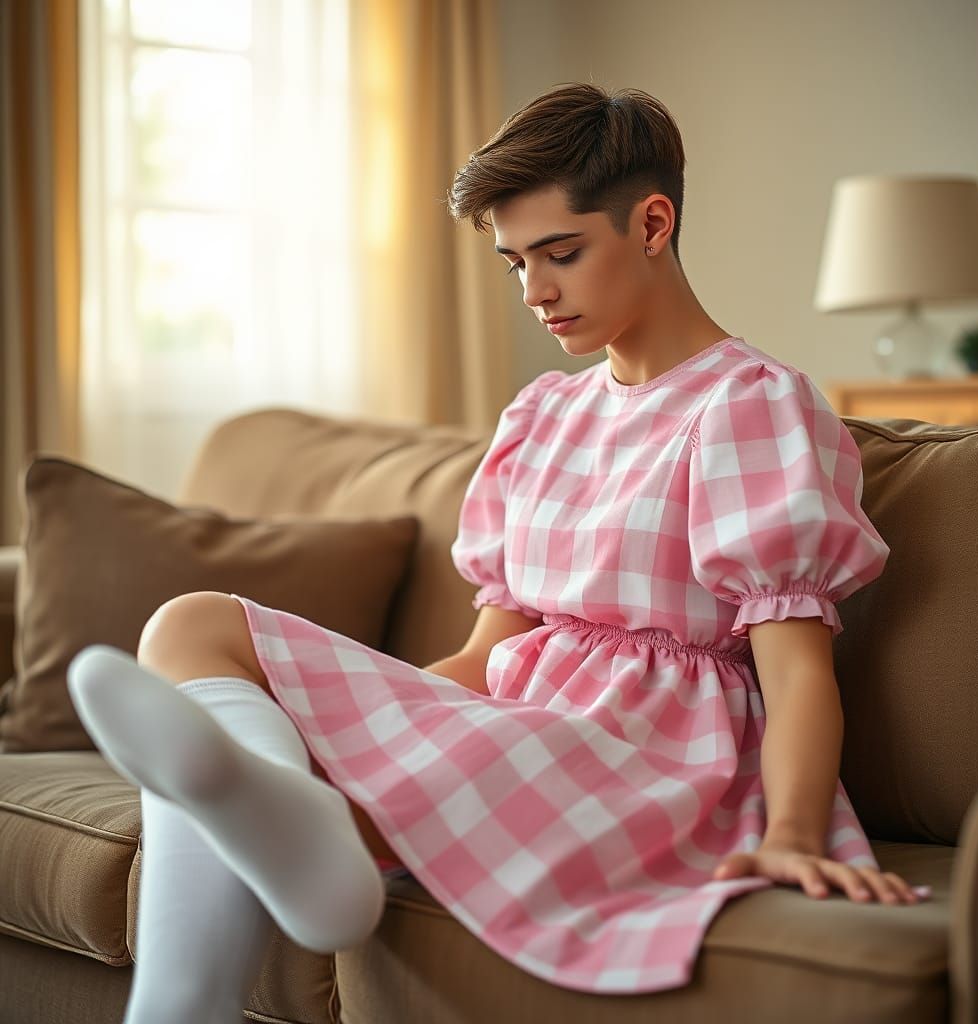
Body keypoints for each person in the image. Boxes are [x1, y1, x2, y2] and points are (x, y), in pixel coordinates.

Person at [66, 81, 931, 1020]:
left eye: (562, 254)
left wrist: (795, 832)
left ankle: (267, 880)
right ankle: (295, 824)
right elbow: (485, 659)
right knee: (190, 625)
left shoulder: (750, 403)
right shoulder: (542, 414)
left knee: (227, 781)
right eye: (515, 263)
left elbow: (798, 671)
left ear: (651, 223)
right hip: (514, 716)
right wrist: (375, 722)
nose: (536, 293)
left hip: (645, 755)